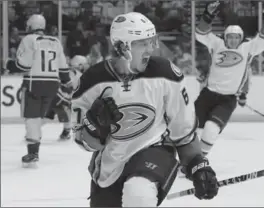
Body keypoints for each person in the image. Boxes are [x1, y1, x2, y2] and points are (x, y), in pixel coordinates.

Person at [71, 12, 219, 207]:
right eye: (143, 43)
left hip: (155, 151)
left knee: (138, 193)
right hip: (110, 166)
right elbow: (84, 142)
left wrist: (197, 164)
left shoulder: (166, 74)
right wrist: (94, 127)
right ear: (123, 47)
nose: (152, 48)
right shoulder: (91, 82)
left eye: (152, 41)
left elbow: (182, 130)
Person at [194, 1, 264, 155]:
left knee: (211, 129)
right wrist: (207, 16)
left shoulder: (248, 48)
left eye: (236, 38)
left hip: (227, 100)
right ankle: (182, 157)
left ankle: (197, 160)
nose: (233, 40)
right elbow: (200, 34)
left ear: (241, 38)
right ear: (225, 37)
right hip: (207, 95)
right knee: (191, 127)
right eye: (230, 37)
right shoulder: (216, 43)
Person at [4, 14, 70, 167]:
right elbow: (64, 70)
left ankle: (33, 152)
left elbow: (23, 66)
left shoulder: (29, 40)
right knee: (41, 116)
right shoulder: (55, 41)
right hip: (53, 84)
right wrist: (67, 83)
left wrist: (8, 64)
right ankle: (38, 144)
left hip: (35, 83)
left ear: (30, 26)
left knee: (32, 118)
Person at [45, 55, 88, 140]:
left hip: (55, 96)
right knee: (68, 114)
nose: (85, 66)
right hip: (61, 98)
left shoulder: (68, 71)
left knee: (46, 116)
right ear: (79, 65)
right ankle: (66, 133)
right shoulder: (76, 74)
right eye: (83, 64)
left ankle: (33, 132)